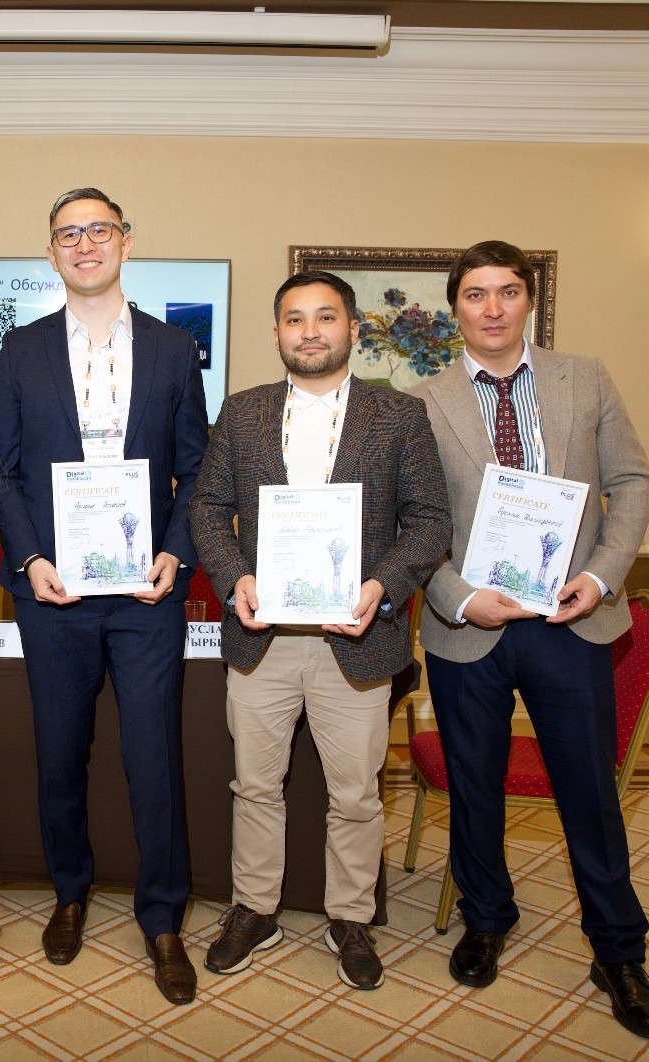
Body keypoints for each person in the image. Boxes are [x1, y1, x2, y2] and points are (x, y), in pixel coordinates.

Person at [411, 240, 649, 1039]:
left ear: (528, 300)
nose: (491, 308)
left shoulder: (583, 378)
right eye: (475, 294)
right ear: (454, 309)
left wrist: (599, 575)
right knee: (474, 788)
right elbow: (409, 520)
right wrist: (457, 596)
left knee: (589, 794)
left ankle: (617, 952)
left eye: (506, 291)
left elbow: (631, 481)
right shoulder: (421, 401)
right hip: (468, 628)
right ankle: (486, 916)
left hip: (570, 620)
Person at [189, 271, 451, 990]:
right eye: (294, 319)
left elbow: (429, 519)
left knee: (357, 794)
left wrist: (381, 587)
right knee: (254, 786)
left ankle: (351, 917)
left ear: (352, 328)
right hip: (263, 638)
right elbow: (207, 508)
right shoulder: (241, 413)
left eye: (325, 317)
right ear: (276, 332)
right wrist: (235, 578)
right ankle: (254, 908)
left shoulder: (398, 415)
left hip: (357, 641)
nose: (309, 332)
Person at [0, 187, 208, 1005]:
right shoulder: (21, 349)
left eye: (98, 231)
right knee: (59, 754)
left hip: (145, 593)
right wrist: (29, 556)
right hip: (54, 592)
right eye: (68, 235)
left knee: (154, 760)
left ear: (125, 242)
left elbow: (197, 468)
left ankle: (163, 918)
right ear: (51, 253)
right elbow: (3, 469)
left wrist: (176, 552)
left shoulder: (173, 349)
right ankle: (69, 893)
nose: (84, 245)